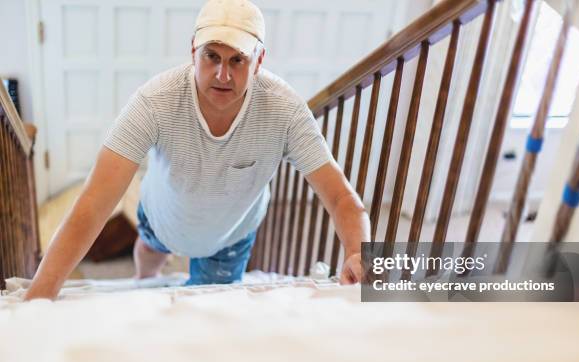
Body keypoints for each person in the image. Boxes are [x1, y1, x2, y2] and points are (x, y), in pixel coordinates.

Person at [24, 0, 370, 301]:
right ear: (193, 51)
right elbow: (93, 205)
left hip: (230, 235)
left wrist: (359, 253)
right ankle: (145, 277)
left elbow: (342, 199)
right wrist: (39, 296)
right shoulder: (153, 102)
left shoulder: (286, 111)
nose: (223, 74)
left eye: (238, 60)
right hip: (161, 214)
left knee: (201, 311)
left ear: (259, 60)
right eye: (212, 56)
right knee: (147, 255)